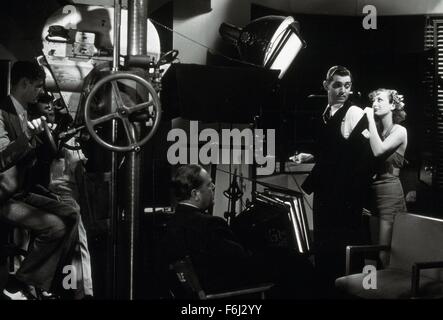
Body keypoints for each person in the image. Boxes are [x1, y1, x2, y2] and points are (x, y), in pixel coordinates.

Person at [160, 164, 316, 298]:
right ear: (195, 194)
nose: (213, 187)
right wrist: (278, 254)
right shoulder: (209, 224)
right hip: (225, 289)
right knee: (296, 265)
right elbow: (243, 262)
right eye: (209, 185)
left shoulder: (171, 223)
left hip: (205, 284)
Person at [0, 60, 79, 299]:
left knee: (71, 214)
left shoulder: (26, 112)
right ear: (23, 84)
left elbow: (41, 154)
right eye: (36, 87)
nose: (40, 92)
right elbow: (2, 158)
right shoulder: (2, 113)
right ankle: (21, 282)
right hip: (4, 197)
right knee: (55, 226)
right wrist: (28, 136)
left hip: (22, 191)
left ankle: (39, 280)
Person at [299, 66, 374, 293]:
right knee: (324, 247)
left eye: (347, 85)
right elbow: (334, 149)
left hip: (344, 196)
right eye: (338, 85)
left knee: (343, 251)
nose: (343, 90)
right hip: (326, 192)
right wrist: (310, 155)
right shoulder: (326, 112)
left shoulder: (354, 113)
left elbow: (364, 158)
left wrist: (357, 198)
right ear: (326, 86)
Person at [28, 94, 93, 299]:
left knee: (77, 238)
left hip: (64, 190)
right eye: (43, 102)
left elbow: (78, 166)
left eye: (51, 103)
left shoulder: (68, 130)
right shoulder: (35, 129)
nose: (49, 106)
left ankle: (83, 291)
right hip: (45, 189)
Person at [364, 89, 408, 267]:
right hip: (373, 191)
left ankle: (391, 292)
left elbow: (379, 151)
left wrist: (369, 122)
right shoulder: (375, 130)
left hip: (390, 192)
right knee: (372, 251)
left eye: (380, 100)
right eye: (373, 100)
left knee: (384, 254)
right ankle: (370, 290)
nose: (375, 103)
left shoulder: (400, 131)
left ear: (392, 105)